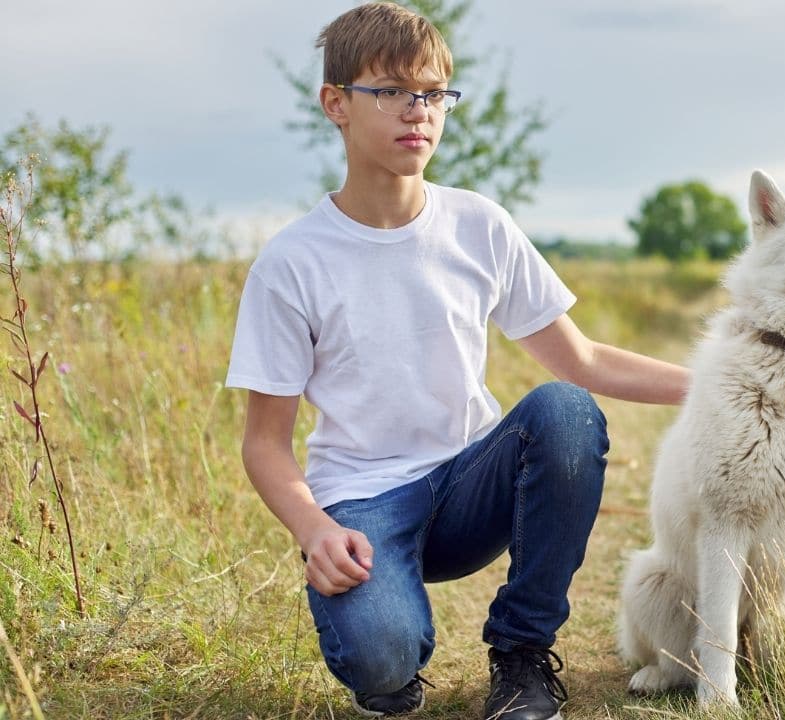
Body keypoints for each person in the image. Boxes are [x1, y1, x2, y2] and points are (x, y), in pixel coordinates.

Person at [225, 4, 687, 718]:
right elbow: (263, 444)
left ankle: (522, 655)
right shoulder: (293, 263)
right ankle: (394, 647)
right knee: (382, 661)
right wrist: (314, 529)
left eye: (435, 92)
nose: (419, 112)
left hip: (472, 487)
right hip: (363, 505)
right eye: (394, 91)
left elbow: (584, 360)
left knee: (564, 410)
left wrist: (723, 388)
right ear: (336, 104)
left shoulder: (478, 224)